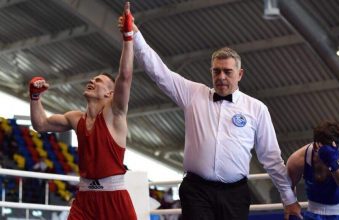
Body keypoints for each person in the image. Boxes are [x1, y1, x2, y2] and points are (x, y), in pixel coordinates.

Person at [118, 14, 301, 220]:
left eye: (227, 72)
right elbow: (159, 72)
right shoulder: (193, 94)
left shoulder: (256, 109)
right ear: (211, 72)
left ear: (240, 74)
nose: (221, 77)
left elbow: (271, 158)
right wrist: (135, 34)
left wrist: (288, 198)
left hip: (236, 194)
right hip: (197, 191)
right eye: (217, 71)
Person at [30, 2, 137, 219]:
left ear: (109, 93)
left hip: (113, 197)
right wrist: (34, 98)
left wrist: (128, 37)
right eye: (92, 78)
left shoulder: (114, 113)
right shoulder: (74, 118)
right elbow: (40, 124)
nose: (91, 80)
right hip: (85, 199)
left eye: (98, 81)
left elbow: (124, 77)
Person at [286, 120, 339, 219]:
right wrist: (290, 203)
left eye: (338, 153)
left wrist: (333, 164)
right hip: (314, 215)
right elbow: (286, 185)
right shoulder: (298, 159)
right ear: (316, 147)